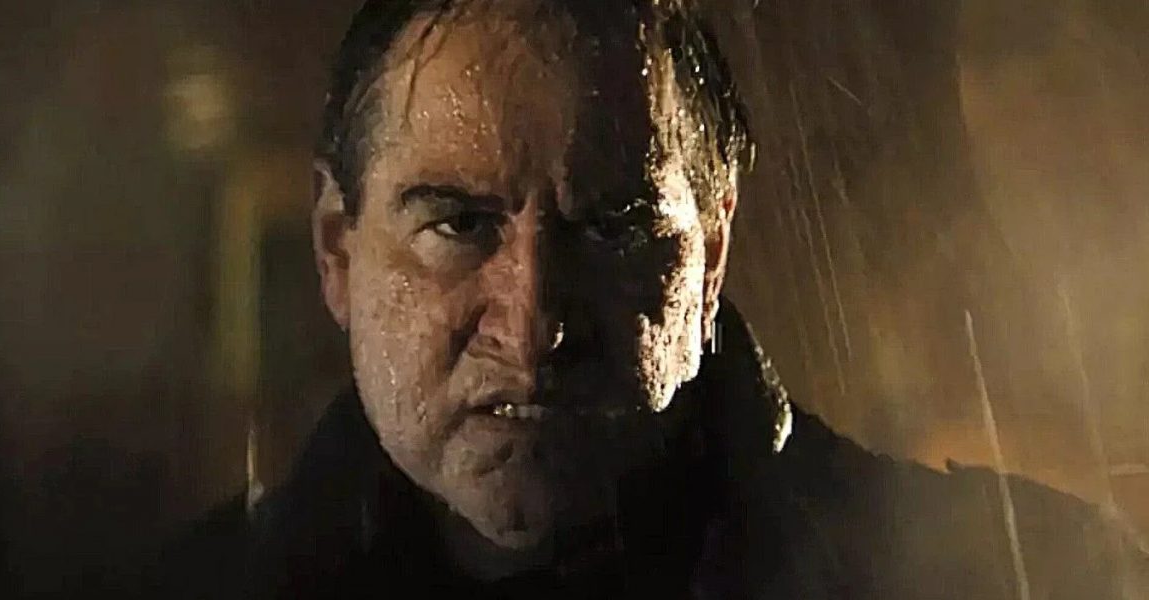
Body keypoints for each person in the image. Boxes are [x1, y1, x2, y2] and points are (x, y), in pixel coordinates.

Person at [158, 0, 1149, 597]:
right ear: (337, 248)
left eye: (613, 230)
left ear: (710, 257)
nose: (534, 324)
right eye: (459, 225)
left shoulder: (1021, 578)